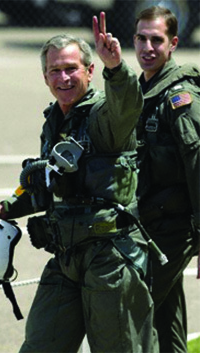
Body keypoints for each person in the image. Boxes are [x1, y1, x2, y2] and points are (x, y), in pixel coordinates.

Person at [0, 12, 159, 353]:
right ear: (45, 76)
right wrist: (7, 208)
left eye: (71, 68)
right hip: (65, 255)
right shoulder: (55, 121)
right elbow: (48, 181)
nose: (63, 77)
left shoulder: (104, 117)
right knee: (42, 344)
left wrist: (116, 69)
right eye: (55, 70)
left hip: (110, 259)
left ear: (90, 71)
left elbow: (128, 105)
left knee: (120, 347)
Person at [134, 6, 200, 353]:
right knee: (166, 316)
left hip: (176, 229)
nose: (147, 47)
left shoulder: (180, 98)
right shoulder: (145, 90)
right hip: (152, 225)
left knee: (131, 308)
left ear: (172, 43)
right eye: (141, 38)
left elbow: (198, 164)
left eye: (156, 39)